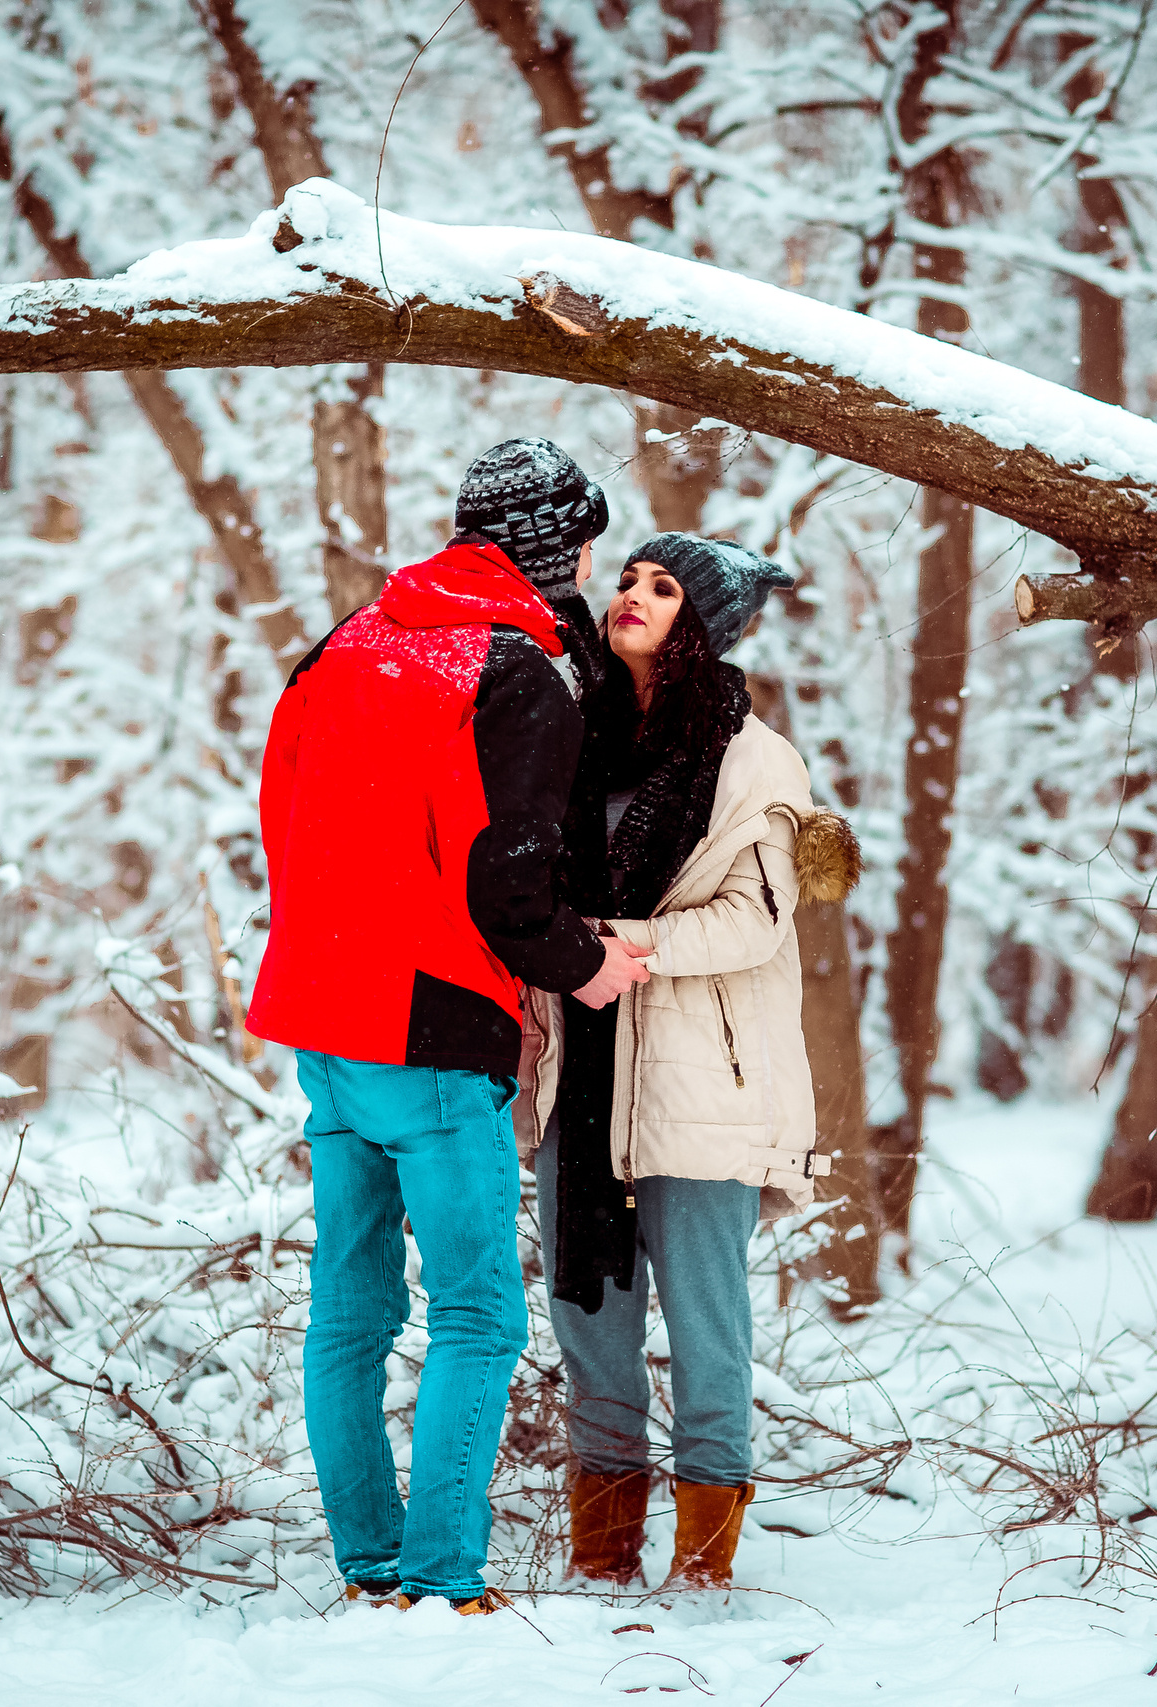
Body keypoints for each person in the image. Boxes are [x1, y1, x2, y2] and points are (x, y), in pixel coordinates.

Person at [248, 439, 654, 1615]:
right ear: (546, 544)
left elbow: (287, 822)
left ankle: (370, 1565)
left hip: (319, 1021)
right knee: (477, 1310)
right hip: (429, 1028)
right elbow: (506, 887)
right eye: (583, 539)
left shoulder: (343, 644)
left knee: (353, 1307)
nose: (589, 562)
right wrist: (587, 965)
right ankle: (441, 1577)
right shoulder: (514, 671)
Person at [515, 533, 861, 1596]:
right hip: (582, 1079)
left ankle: (706, 1571)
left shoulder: (754, 759)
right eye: (627, 579)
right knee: (590, 1327)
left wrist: (614, 948)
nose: (632, 597)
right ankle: (602, 1557)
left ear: (700, 625)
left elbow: (752, 924)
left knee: (707, 1327)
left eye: (662, 589)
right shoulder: (570, 737)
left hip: (699, 1091)